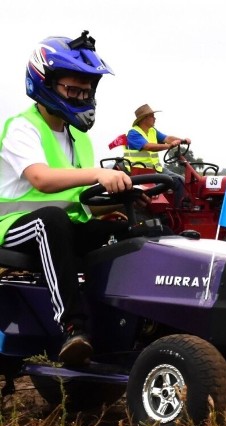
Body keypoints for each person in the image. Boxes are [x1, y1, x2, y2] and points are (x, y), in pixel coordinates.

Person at [0, 32, 137, 366]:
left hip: (61, 229)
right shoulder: (23, 128)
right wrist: (98, 175)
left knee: (126, 233)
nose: (80, 97)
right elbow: (42, 180)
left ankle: (132, 326)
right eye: (72, 90)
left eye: (85, 91)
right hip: (13, 229)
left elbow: (79, 198)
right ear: (45, 83)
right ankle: (73, 327)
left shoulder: (77, 138)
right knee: (51, 221)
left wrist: (123, 202)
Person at [124, 104, 191, 204]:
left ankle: (181, 209)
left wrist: (182, 140)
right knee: (172, 182)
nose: (154, 118)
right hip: (140, 171)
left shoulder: (152, 131)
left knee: (182, 181)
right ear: (144, 119)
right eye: (152, 116)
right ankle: (176, 212)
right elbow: (148, 146)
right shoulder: (133, 133)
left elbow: (167, 138)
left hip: (156, 169)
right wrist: (169, 146)